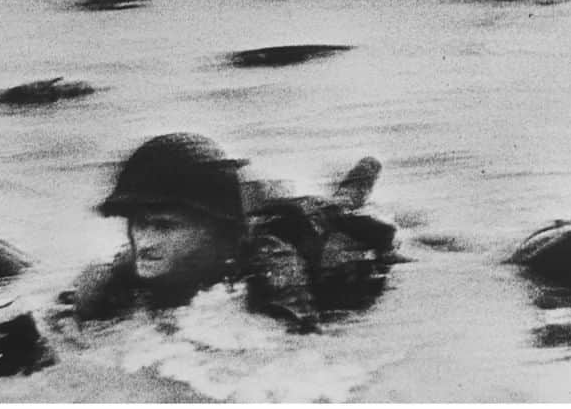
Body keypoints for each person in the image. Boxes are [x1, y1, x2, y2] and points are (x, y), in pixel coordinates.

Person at [56, 132, 399, 332]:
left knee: (341, 210)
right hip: (252, 213)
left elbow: (298, 343)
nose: (143, 241)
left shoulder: (272, 261)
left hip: (317, 235)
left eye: (163, 226)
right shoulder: (135, 262)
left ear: (216, 229)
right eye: (137, 223)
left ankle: (363, 175)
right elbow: (68, 317)